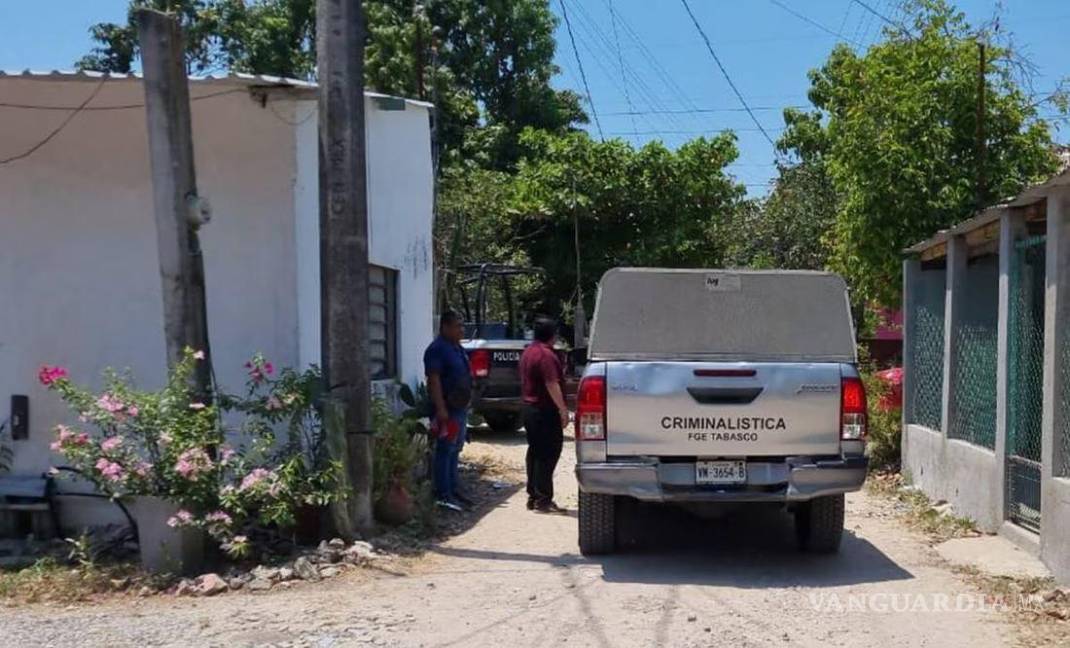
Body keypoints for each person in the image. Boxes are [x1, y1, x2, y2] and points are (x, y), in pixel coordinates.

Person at [519, 316, 570, 513]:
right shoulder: (546, 355)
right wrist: (563, 409)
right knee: (548, 453)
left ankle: (533, 495)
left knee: (535, 452)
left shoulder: (529, 351)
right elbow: (551, 383)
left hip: (530, 408)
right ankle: (543, 499)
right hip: (543, 410)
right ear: (552, 335)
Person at [424, 310, 473, 511]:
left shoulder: (456, 348)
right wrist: (441, 408)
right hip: (448, 408)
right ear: (445, 327)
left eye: (462, 326)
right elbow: (434, 381)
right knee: (445, 449)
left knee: (455, 449)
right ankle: (442, 494)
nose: (461, 330)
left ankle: (453, 489)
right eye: (457, 326)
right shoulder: (437, 349)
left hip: (460, 407)